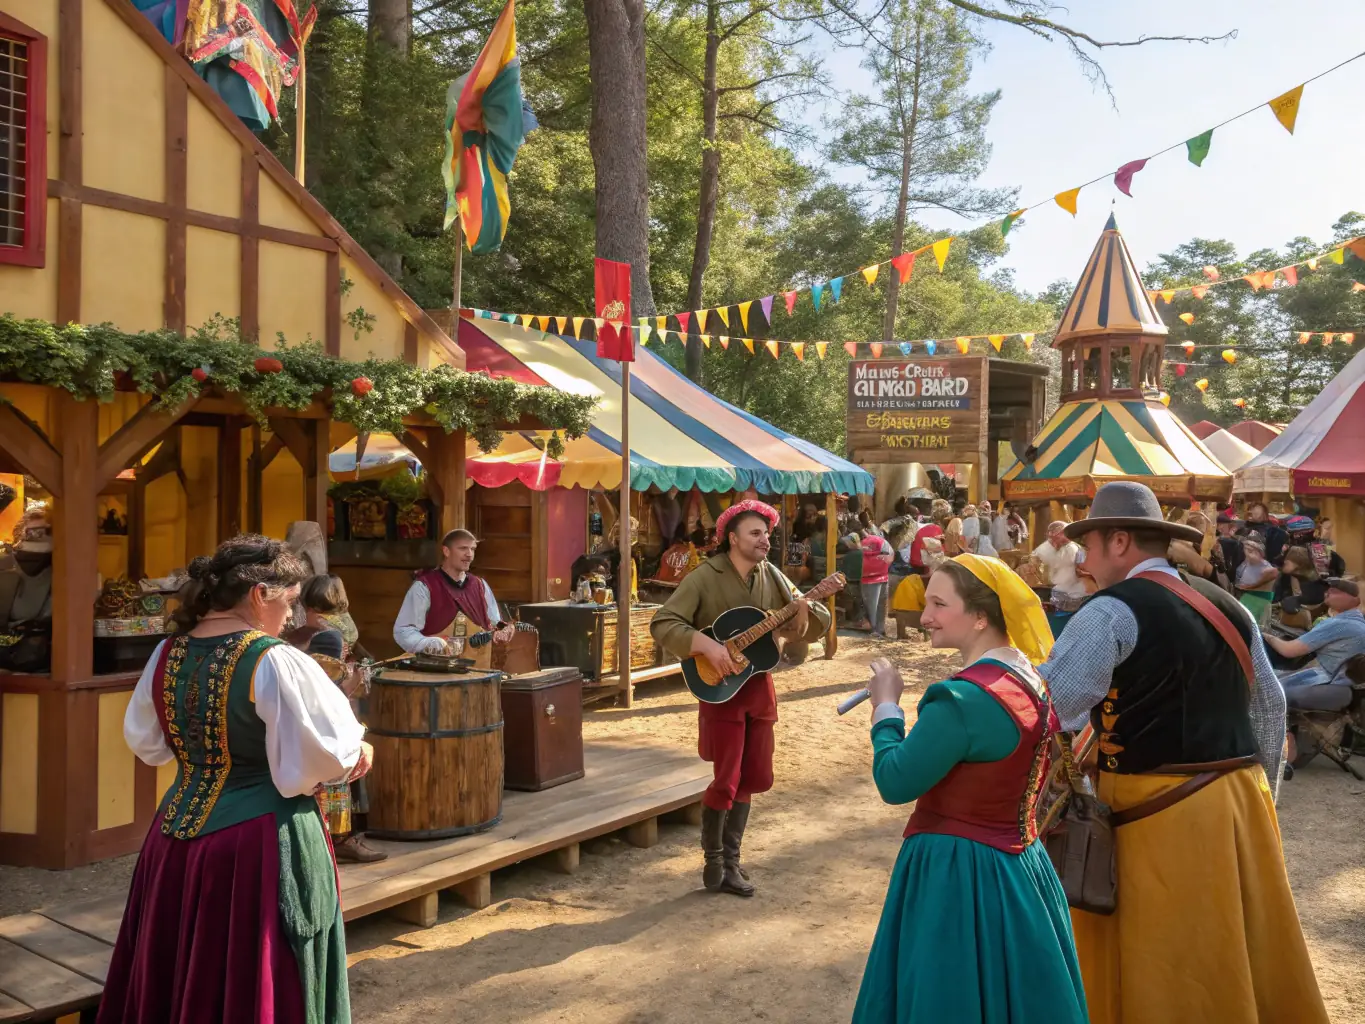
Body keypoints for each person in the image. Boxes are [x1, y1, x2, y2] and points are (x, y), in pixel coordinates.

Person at [1038, 482, 1325, 1024]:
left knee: (1169, 956)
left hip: (1158, 812)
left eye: (1090, 546)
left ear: (1119, 541)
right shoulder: (1229, 605)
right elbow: (1270, 705)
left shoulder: (1110, 611)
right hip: (1238, 803)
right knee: (1229, 948)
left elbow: (1053, 706)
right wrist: (1259, 801)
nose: (1085, 560)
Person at [100, 536, 368, 1024]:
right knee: (259, 971)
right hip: (259, 845)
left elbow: (148, 743)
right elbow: (329, 753)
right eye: (288, 603)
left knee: (180, 965)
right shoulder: (274, 659)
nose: (290, 617)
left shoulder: (166, 654)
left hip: (174, 842)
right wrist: (359, 751)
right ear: (259, 595)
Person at [852, 555, 1086, 1024]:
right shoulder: (1030, 680)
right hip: (1022, 868)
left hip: (957, 872)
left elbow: (895, 780)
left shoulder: (961, 699)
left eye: (939, 603)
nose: (924, 616)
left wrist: (886, 710)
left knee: (948, 993)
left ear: (981, 616)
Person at [650, 500, 830, 897]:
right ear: (732, 539)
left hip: (758, 685)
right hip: (720, 689)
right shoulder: (705, 576)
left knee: (755, 774)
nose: (765, 539)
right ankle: (715, 861)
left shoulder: (773, 575)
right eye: (755, 533)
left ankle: (732, 861)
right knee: (727, 777)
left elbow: (816, 616)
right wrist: (707, 648)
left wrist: (803, 608)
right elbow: (664, 622)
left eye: (766, 533)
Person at [287, 574, 386, 865]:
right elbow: (326, 692)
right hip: (327, 719)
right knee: (338, 779)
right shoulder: (331, 635)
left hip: (300, 720)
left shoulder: (295, 634)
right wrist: (353, 682)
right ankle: (340, 840)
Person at [393, 529, 515, 654]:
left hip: (479, 665)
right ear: (446, 551)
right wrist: (429, 644)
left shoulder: (480, 585)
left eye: (472, 549)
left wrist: (504, 630)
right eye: (463, 548)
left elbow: (494, 623)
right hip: (435, 666)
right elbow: (404, 631)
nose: (469, 554)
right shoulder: (424, 587)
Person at [1265, 577, 1365, 690]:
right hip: (1340, 682)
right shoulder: (1358, 622)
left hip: (1327, 681)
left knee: (1267, 690)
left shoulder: (1341, 623)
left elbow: (1289, 650)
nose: (1327, 593)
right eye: (1328, 590)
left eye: (1335, 592)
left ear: (1355, 599)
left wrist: (1265, 636)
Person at [0, 510, 54, 672]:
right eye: (34, 533)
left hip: (42, 659)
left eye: (43, 532)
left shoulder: (62, 569)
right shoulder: (5, 566)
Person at [1273, 546, 1330, 627]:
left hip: (1304, 611)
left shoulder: (1307, 577)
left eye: (1287, 562)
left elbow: (1312, 600)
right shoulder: (1296, 575)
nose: (1285, 563)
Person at [1032, 521, 1086, 602]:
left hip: (1068, 590)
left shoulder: (1070, 547)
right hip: (1055, 591)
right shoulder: (1044, 550)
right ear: (1055, 534)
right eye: (1065, 533)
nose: (1070, 536)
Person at [1235, 536, 1278, 625]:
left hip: (1260, 600)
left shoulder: (1266, 568)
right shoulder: (1245, 565)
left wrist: (1248, 587)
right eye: (1246, 550)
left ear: (1260, 553)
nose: (1247, 554)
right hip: (1247, 598)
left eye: (1250, 551)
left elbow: (1274, 573)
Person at [861, 529, 894, 638]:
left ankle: (874, 629)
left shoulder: (856, 543)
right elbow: (891, 555)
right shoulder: (881, 541)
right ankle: (880, 629)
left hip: (866, 579)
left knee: (871, 606)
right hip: (883, 576)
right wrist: (883, 567)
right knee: (881, 605)